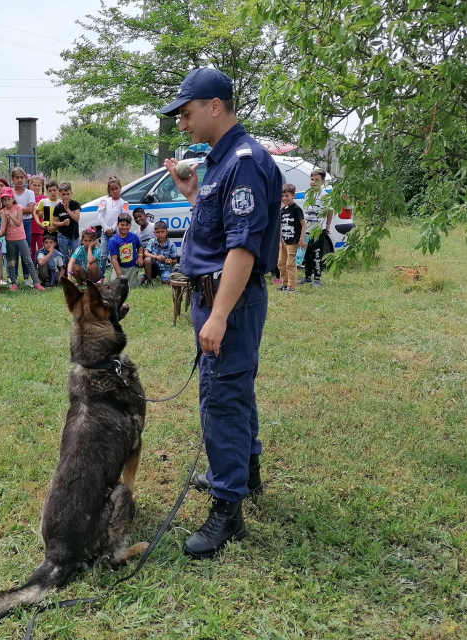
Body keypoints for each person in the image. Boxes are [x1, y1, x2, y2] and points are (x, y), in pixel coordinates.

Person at [160, 67, 282, 559]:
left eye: (186, 114)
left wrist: (217, 316)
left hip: (226, 300)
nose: (183, 125)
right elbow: (216, 231)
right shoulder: (223, 162)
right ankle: (242, 474)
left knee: (221, 398)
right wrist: (192, 195)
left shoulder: (245, 162)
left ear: (215, 106)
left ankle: (227, 512)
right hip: (216, 296)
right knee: (234, 388)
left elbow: (242, 249)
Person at [0, 186, 42, 291]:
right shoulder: (3, 210)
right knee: (12, 261)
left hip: (21, 238)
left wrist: (10, 215)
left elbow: (18, 223)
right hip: (10, 240)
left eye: (9, 199)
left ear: (13, 198)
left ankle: (36, 282)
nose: (7, 202)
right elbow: (3, 227)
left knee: (28, 259)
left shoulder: (18, 207)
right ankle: (14, 283)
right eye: (4, 200)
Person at [300, 169, 332, 288]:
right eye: (312, 179)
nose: (313, 182)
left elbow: (329, 211)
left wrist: (327, 225)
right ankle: (307, 276)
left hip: (318, 230)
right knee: (307, 254)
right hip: (308, 229)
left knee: (317, 254)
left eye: (317, 180)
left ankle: (317, 278)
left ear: (323, 181)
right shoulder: (309, 194)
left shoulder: (324, 196)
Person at [10, 167, 36, 284]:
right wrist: (22, 210)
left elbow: (31, 209)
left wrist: (15, 210)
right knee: (13, 253)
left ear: (25, 179)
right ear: (12, 179)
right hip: (11, 225)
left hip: (26, 223)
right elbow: (7, 208)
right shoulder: (9, 192)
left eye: (22, 177)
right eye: (17, 177)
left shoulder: (29, 192)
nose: (19, 180)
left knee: (26, 251)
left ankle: (26, 277)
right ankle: (13, 277)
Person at [278, 183, 306, 292]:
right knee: (281, 263)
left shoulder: (296, 209)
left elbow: (303, 224)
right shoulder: (283, 210)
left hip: (293, 241)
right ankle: (284, 284)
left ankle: (291, 287)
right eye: (283, 196)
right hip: (284, 241)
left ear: (293, 196)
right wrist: (280, 240)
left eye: (287, 196)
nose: (284, 198)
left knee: (290, 264)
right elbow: (281, 226)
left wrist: (301, 239)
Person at [108, 212, 145, 285]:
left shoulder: (134, 236)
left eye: (127, 225)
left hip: (132, 266)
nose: (124, 227)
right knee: (115, 285)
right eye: (122, 225)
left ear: (130, 225)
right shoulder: (113, 240)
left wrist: (140, 256)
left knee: (131, 286)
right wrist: (119, 274)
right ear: (117, 225)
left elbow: (140, 247)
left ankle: (142, 277)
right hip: (120, 266)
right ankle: (115, 274)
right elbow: (114, 259)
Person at [52, 181, 81, 259]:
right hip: (63, 235)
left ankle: (75, 270)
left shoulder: (75, 204)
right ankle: (65, 270)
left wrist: (67, 209)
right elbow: (54, 222)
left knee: (76, 255)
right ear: (59, 194)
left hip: (74, 235)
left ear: (71, 193)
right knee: (64, 256)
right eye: (63, 194)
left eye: (68, 194)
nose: (66, 196)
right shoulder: (58, 207)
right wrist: (62, 223)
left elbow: (76, 218)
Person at [29, 175, 47, 259]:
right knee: (31, 250)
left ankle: (42, 269)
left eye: (38, 185)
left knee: (41, 249)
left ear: (42, 186)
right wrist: (36, 212)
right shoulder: (28, 197)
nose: (36, 187)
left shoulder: (44, 199)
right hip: (30, 228)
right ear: (30, 185)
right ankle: (32, 269)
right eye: (34, 185)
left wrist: (34, 212)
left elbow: (46, 213)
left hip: (41, 229)